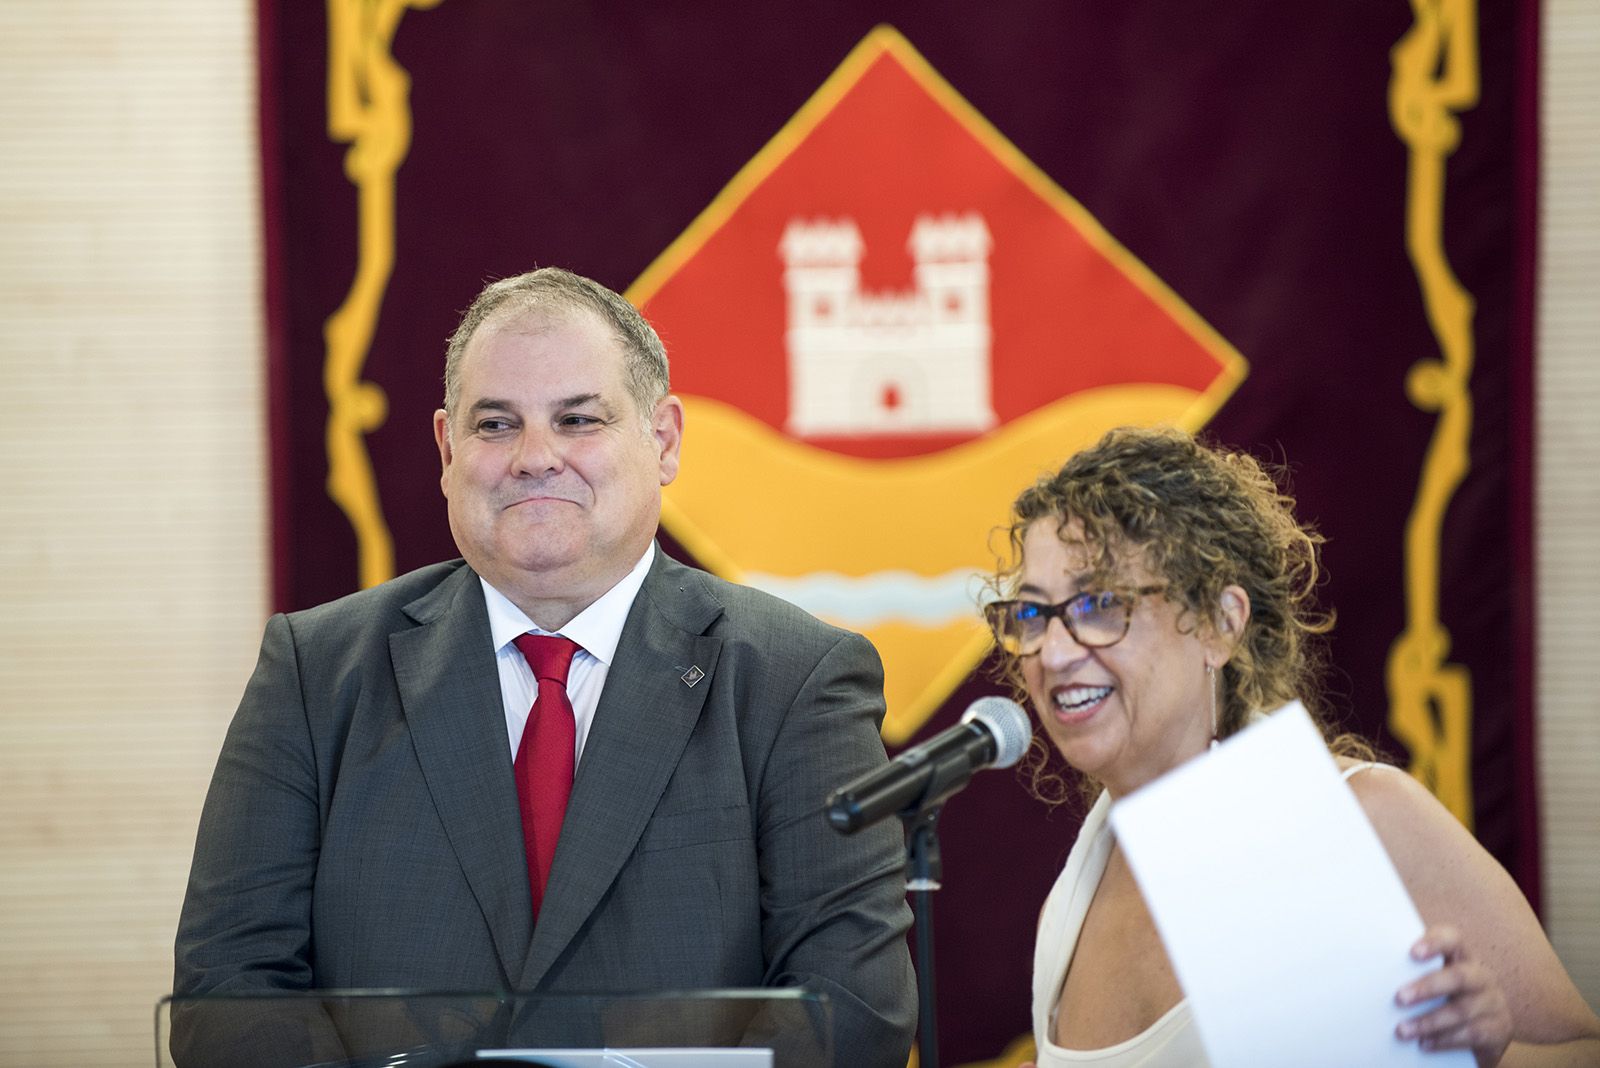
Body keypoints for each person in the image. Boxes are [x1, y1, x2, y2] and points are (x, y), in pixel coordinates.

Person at [174, 267, 916, 1066]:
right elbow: (229, 991)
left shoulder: (796, 680)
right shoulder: (314, 673)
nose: (535, 457)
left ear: (662, 440)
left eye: (577, 419)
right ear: (447, 448)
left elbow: (852, 1008)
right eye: (495, 424)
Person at [983, 427, 1600, 1067]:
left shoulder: (1364, 818)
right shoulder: (1072, 898)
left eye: (1100, 604)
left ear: (1221, 624)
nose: (1052, 653)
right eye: (1031, 615)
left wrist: (1491, 1055)